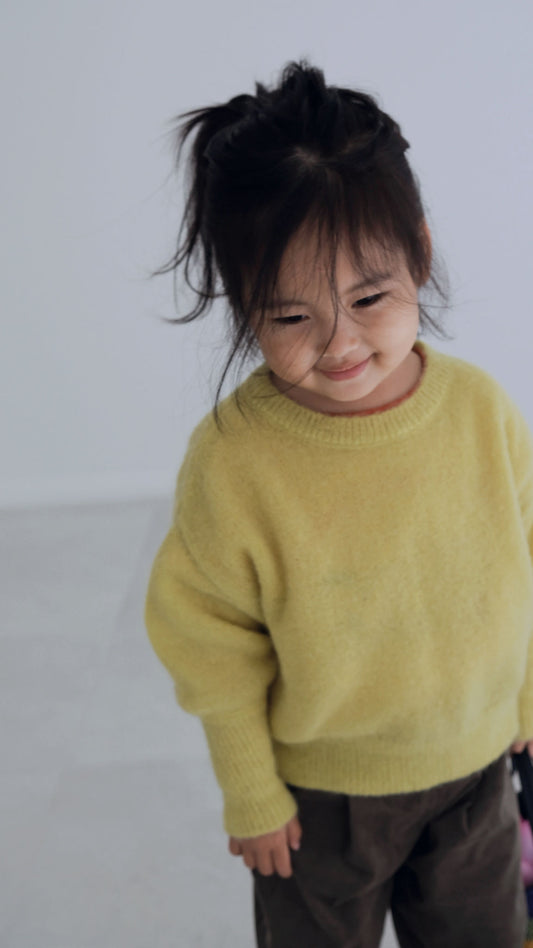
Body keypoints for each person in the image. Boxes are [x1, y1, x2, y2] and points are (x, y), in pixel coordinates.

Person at [144, 60, 533, 947]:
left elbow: (528, 556)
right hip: (320, 802)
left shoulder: (478, 410)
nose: (340, 344)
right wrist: (250, 788)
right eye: (291, 317)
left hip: (476, 769)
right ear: (242, 300)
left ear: (419, 253)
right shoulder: (233, 460)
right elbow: (207, 640)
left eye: (369, 298)